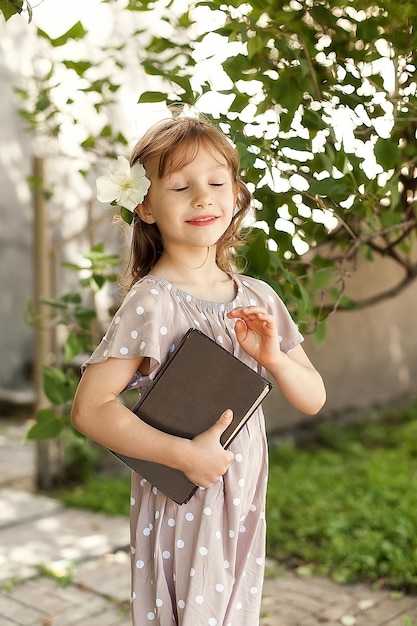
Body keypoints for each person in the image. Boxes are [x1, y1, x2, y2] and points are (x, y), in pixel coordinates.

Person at [71, 114, 326, 626]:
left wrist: (273, 356)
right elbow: (90, 409)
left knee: (234, 609)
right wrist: (183, 455)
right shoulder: (152, 304)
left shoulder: (258, 297)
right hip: (184, 493)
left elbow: (313, 395)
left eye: (216, 183)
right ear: (145, 206)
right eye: (181, 186)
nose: (203, 198)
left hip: (243, 489)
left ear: (236, 195)